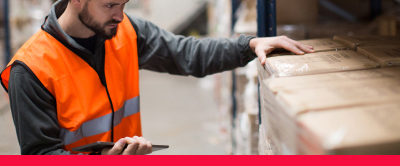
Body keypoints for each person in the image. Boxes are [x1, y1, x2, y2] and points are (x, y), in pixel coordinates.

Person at [0, 0, 315, 155]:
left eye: (123, 4)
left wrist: (249, 45)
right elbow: (42, 157)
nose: (119, 15)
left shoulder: (126, 32)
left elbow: (187, 54)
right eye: (110, 4)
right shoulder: (30, 70)